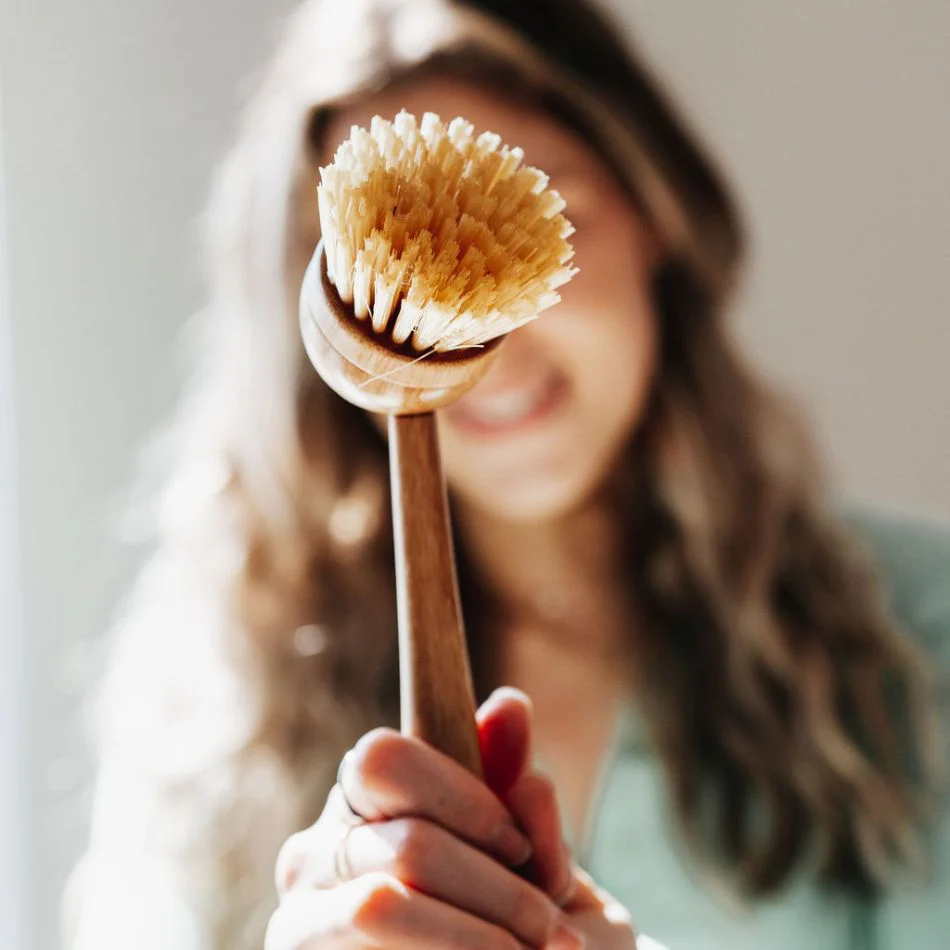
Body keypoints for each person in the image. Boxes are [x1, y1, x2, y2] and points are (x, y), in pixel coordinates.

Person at [66, 1, 950, 948]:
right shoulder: (204, 703)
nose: (486, 337)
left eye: (542, 226)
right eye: (399, 264)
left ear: (654, 211)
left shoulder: (919, 629)